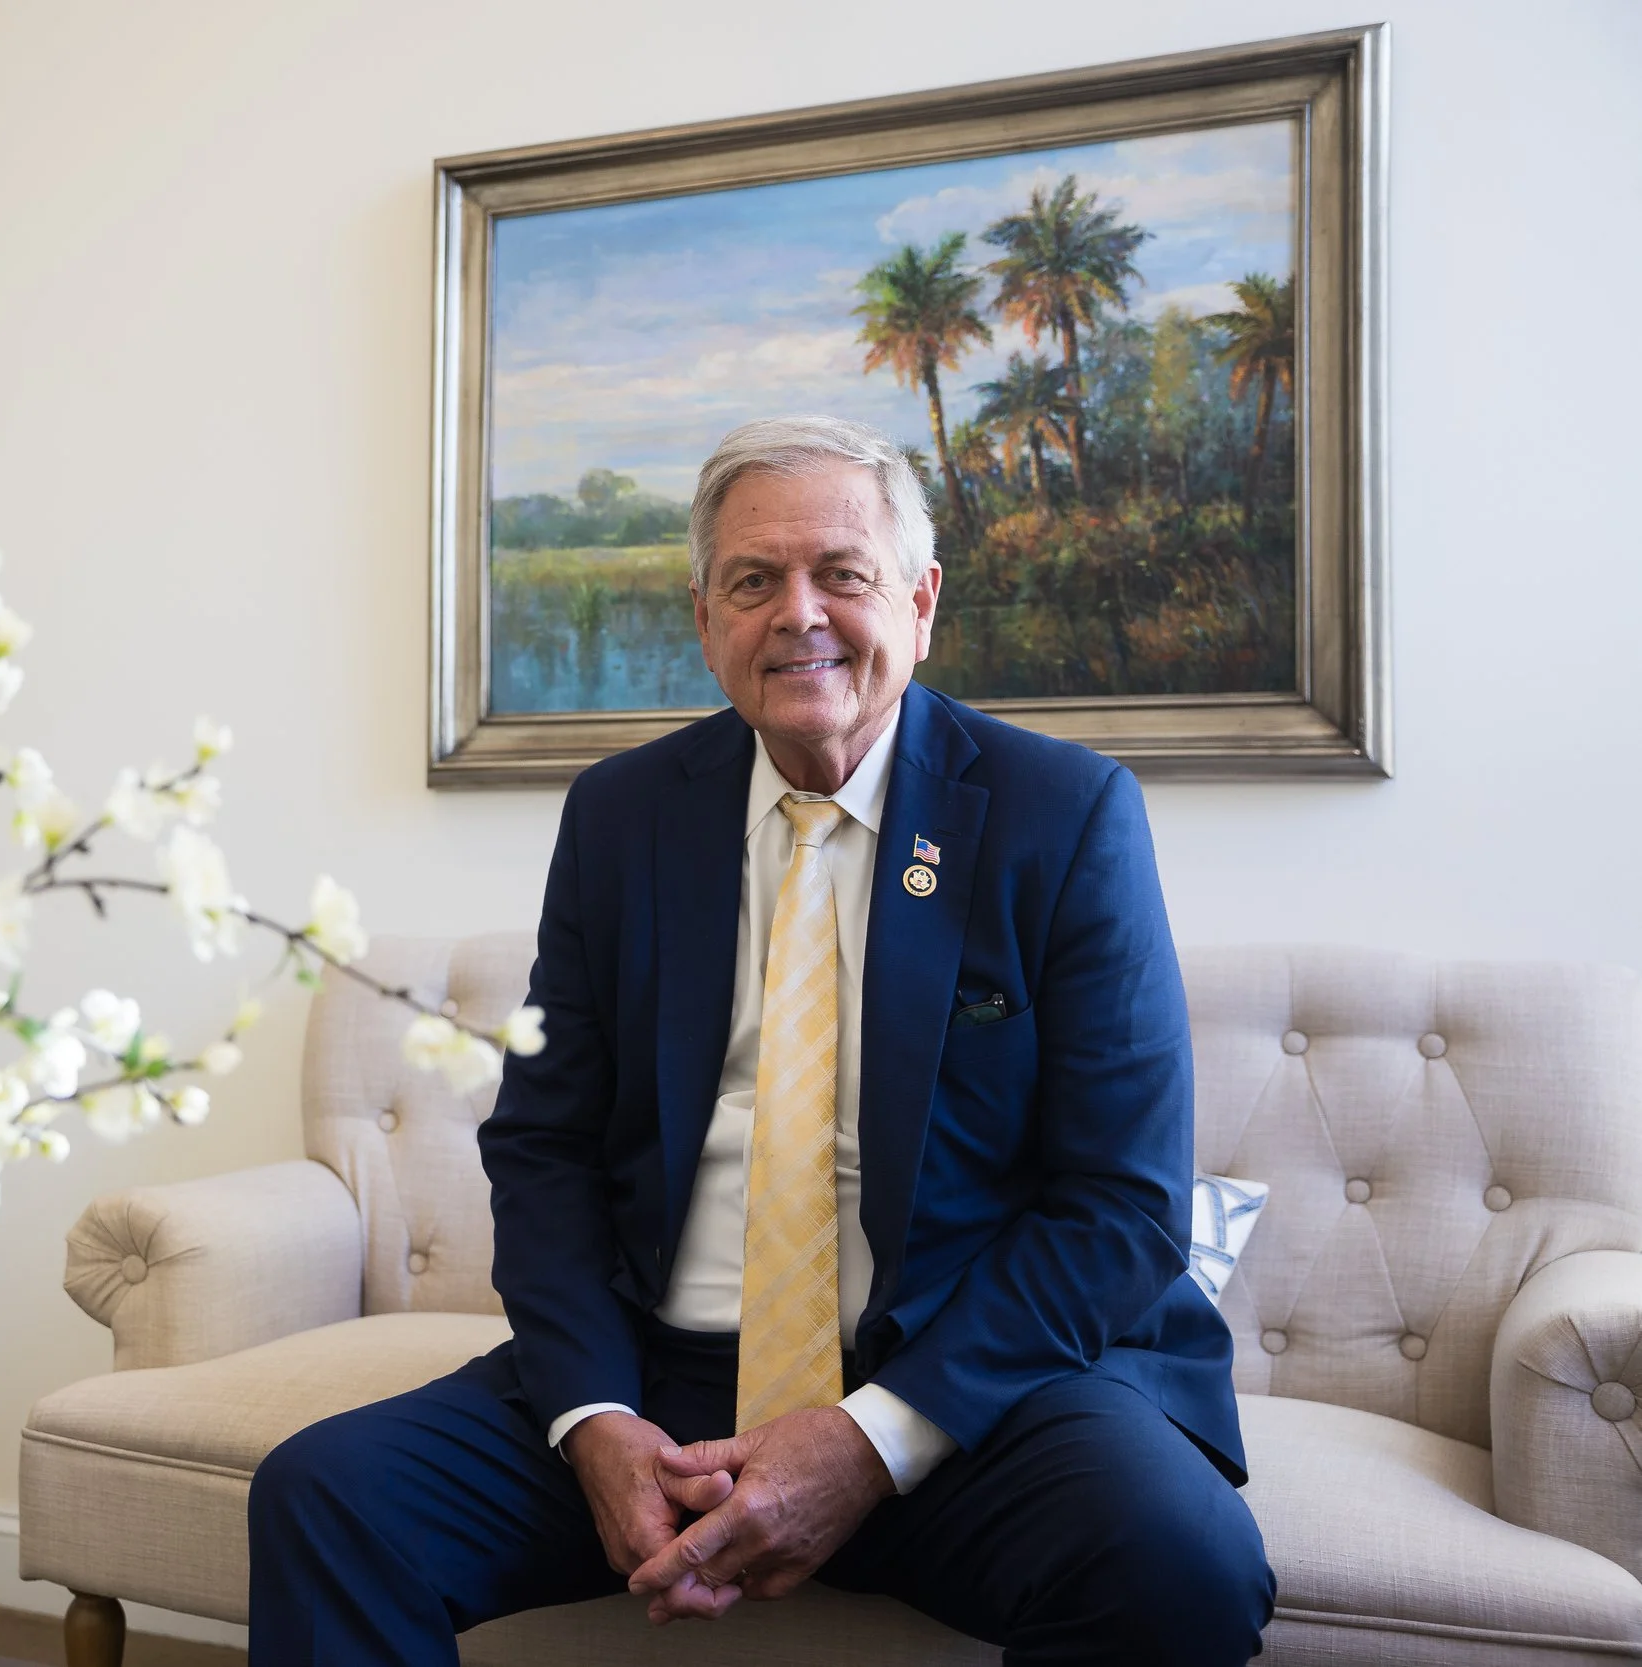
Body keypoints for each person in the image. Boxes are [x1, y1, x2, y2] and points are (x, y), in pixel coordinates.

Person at [247, 416, 1274, 1666]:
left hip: (975, 1387)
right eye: (753, 579)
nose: (799, 613)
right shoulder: (625, 816)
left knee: (1176, 1562)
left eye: (841, 571)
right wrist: (594, 1414)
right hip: (664, 1377)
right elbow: (546, 1146)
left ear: (920, 599)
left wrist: (867, 1437)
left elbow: (1119, 1206)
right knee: (327, 1497)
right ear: (704, 617)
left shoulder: (1060, 814)